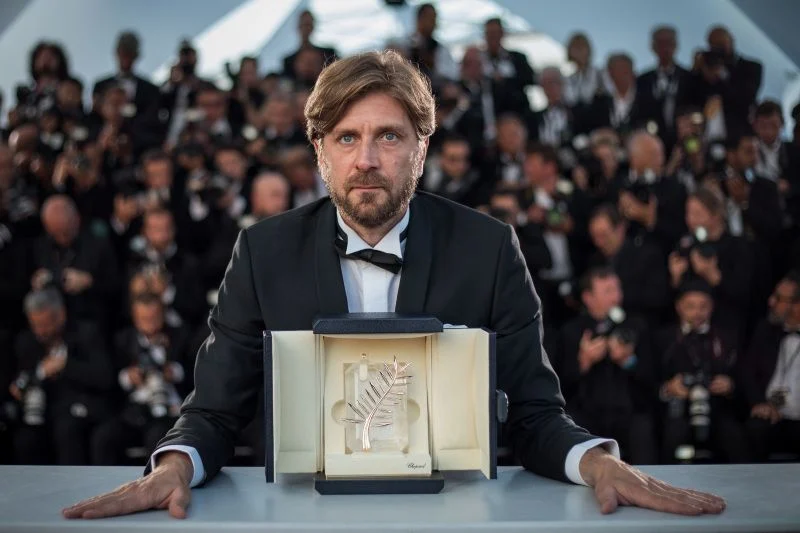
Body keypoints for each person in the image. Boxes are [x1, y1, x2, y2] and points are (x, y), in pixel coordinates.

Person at [63, 50, 725, 520]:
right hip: (300, 518)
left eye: (389, 136)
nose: (367, 159)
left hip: (459, 515)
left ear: (421, 147)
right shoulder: (262, 251)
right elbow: (214, 411)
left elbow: (533, 411)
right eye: (346, 138)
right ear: (319, 152)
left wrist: (597, 461)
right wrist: (173, 465)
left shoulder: (489, 248)